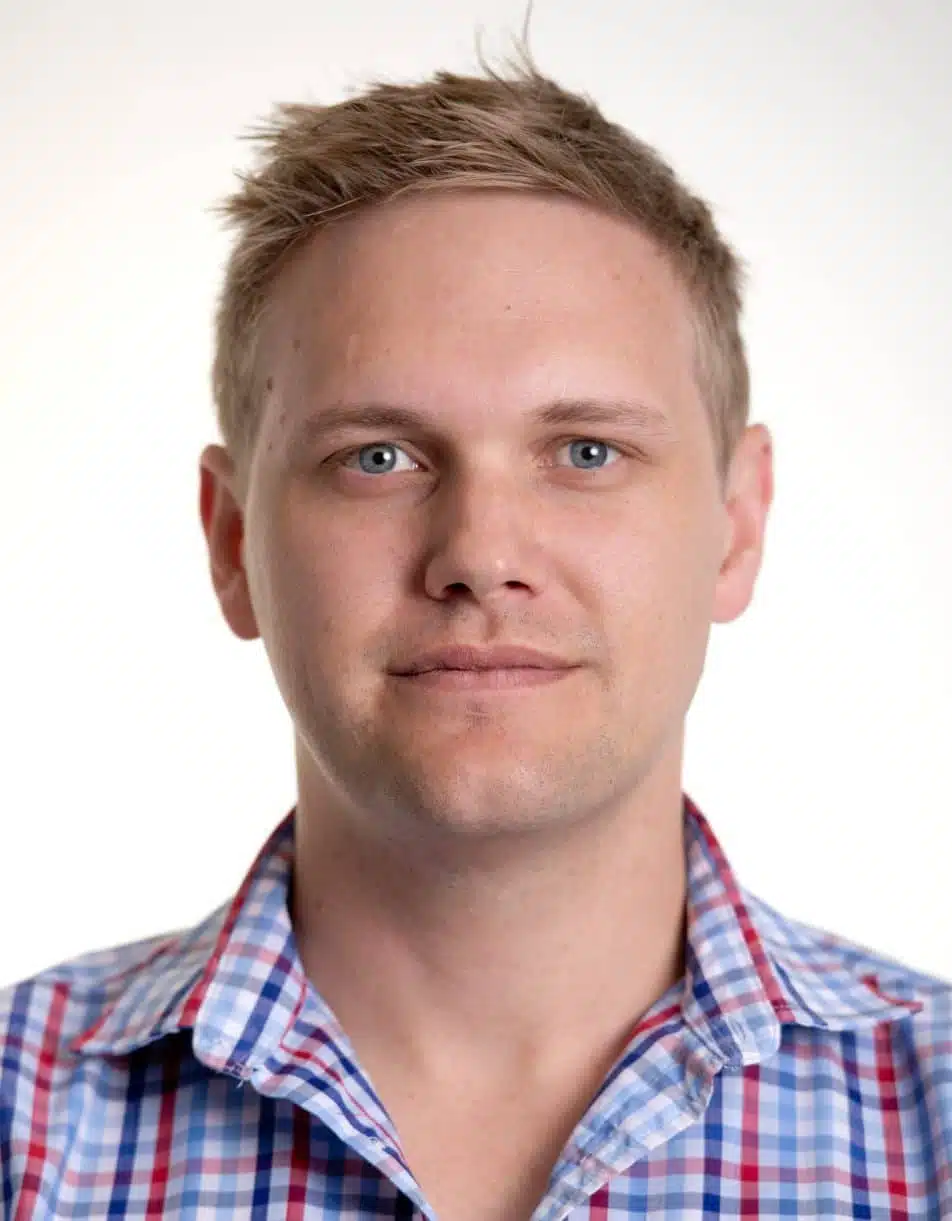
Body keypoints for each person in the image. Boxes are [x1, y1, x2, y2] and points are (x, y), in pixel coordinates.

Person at [2, 43, 950, 1221]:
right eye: (378, 457)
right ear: (231, 540)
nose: (480, 555)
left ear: (735, 524)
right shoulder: (16, 1123)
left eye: (586, 452)